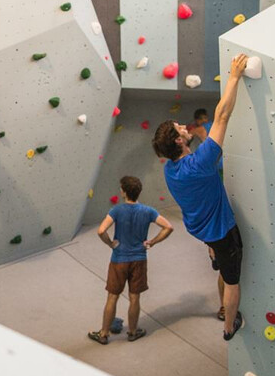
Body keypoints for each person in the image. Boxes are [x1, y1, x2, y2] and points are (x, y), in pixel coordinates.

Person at [152, 53, 249, 340]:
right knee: (232, 281)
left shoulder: (171, 169)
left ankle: (213, 257)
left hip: (201, 230)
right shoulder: (200, 163)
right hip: (221, 232)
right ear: (179, 141)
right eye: (180, 128)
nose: (185, 126)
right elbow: (222, 115)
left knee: (216, 254)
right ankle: (230, 326)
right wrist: (234, 76)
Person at [88, 176, 173, 345]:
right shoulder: (148, 211)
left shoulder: (117, 211)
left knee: (112, 297)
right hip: (139, 260)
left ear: (124, 192)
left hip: (119, 259)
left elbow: (101, 231)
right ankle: (133, 332)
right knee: (135, 297)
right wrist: (152, 242)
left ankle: (104, 334)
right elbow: (168, 227)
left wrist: (111, 243)